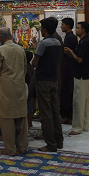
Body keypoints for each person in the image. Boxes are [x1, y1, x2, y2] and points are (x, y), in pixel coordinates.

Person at [0, 27, 28, 156]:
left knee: (7, 117)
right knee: (20, 116)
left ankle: (10, 149)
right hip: (19, 85)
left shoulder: (0, 50)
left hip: (6, 87)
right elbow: (25, 68)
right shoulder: (20, 49)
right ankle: (22, 146)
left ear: (1, 38)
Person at [31, 17, 63, 152]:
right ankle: (59, 140)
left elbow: (34, 63)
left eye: (41, 28)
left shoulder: (43, 44)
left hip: (43, 80)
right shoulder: (57, 42)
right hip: (53, 79)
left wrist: (34, 52)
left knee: (46, 113)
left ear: (44, 29)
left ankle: (50, 144)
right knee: (55, 111)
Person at [64, 21, 89, 135]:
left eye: (78, 28)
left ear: (83, 30)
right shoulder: (83, 41)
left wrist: (70, 52)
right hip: (85, 75)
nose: (76, 30)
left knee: (78, 102)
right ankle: (84, 125)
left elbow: (79, 60)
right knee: (84, 102)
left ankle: (77, 128)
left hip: (81, 75)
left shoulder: (85, 42)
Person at [60, 17, 78, 125]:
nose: (61, 26)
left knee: (66, 93)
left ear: (67, 25)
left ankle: (67, 116)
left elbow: (66, 52)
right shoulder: (68, 36)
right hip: (67, 68)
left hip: (68, 69)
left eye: (62, 24)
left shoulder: (70, 37)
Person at [25, 50, 35, 128]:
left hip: (26, 88)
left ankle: (28, 124)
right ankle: (30, 123)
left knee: (27, 107)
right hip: (31, 88)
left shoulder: (25, 68)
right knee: (30, 107)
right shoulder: (31, 67)